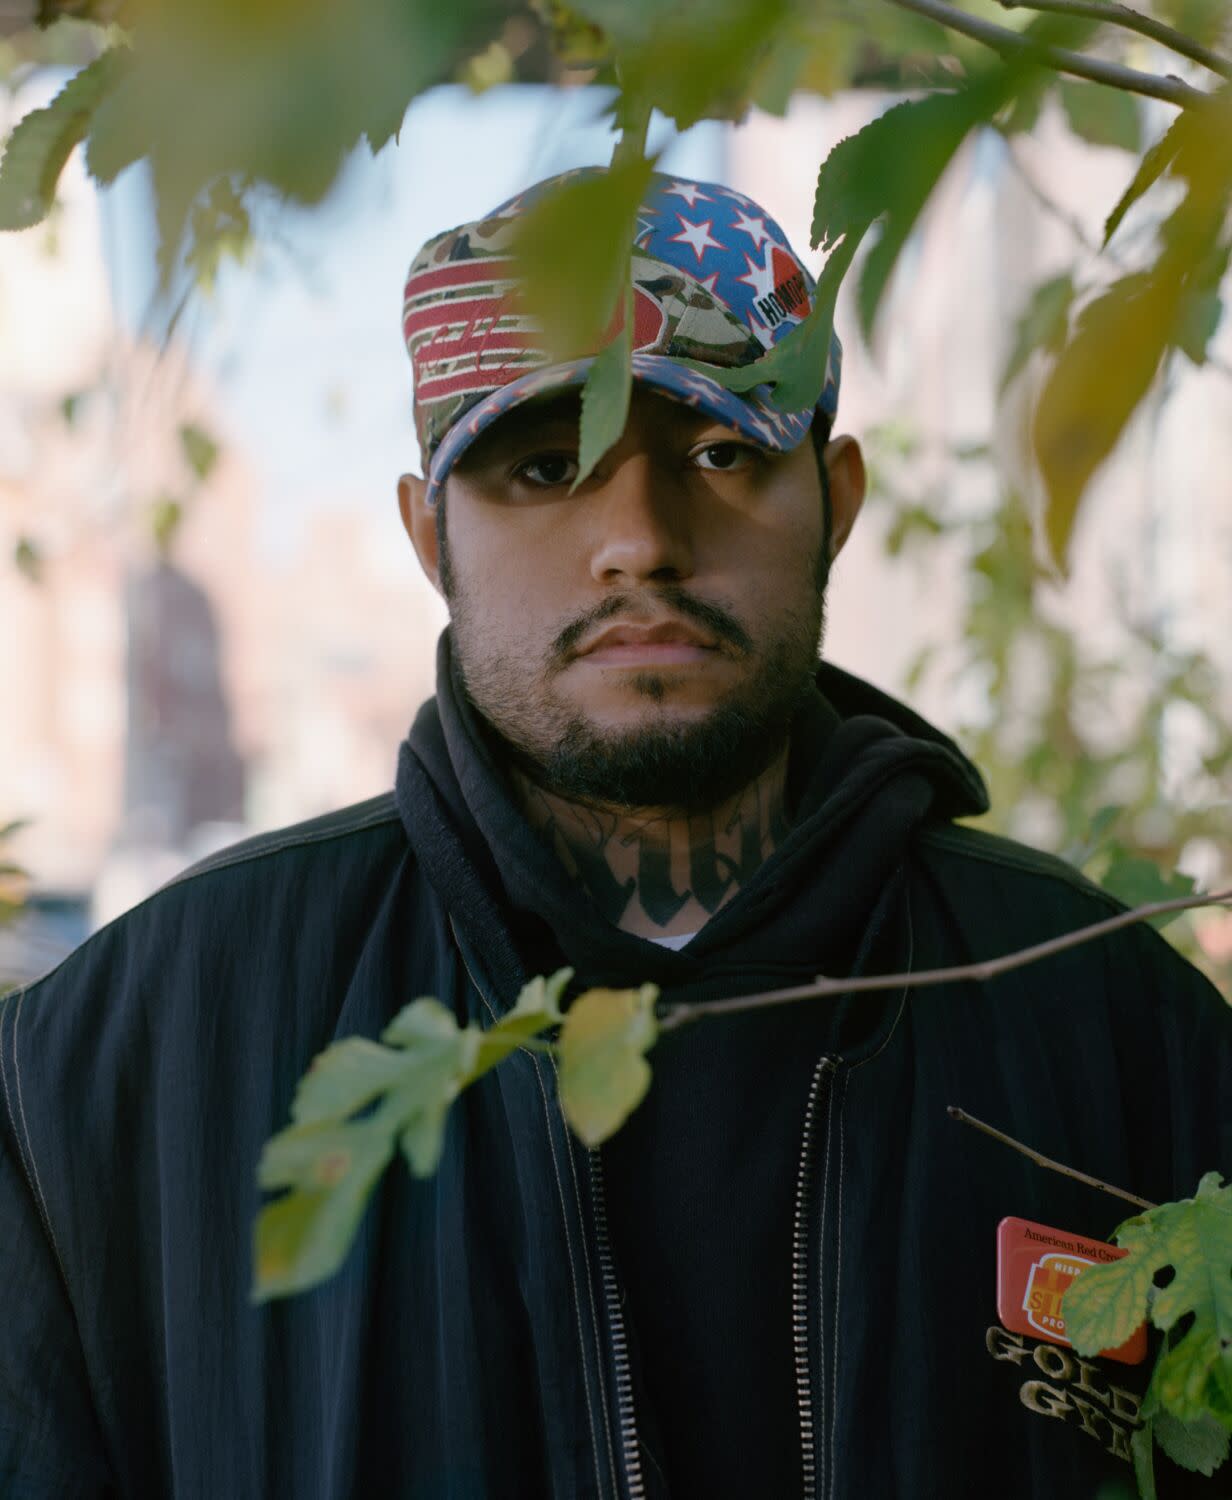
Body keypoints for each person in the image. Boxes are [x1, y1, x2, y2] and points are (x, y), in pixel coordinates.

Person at [0, 170, 1227, 1500]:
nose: (639, 539)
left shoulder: (1106, 1017)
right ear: (428, 534)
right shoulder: (122, 1066)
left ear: (839, 498)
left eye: (720, 453)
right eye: (545, 464)